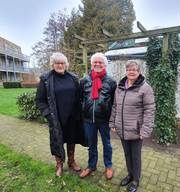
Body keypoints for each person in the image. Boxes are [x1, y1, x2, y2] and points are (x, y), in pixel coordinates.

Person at [35, 52, 86, 177]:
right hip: (56, 118)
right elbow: (40, 100)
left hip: (72, 117)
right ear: (53, 64)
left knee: (71, 139)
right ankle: (59, 165)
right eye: (57, 63)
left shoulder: (73, 78)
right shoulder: (46, 79)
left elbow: (79, 96)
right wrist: (48, 115)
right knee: (57, 141)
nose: (60, 65)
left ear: (66, 64)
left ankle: (71, 161)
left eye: (62, 63)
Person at [109, 60, 155, 192]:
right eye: (129, 69)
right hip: (122, 128)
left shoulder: (145, 88)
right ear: (126, 71)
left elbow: (149, 110)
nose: (131, 71)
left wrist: (145, 130)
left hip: (136, 130)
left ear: (139, 72)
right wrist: (112, 122)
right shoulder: (120, 86)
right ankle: (130, 175)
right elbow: (115, 106)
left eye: (134, 69)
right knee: (127, 154)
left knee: (135, 156)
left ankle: (136, 180)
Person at [79, 52, 116, 180]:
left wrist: (113, 119)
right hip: (89, 119)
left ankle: (109, 166)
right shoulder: (84, 80)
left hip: (104, 119)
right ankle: (91, 165)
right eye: (95, 62)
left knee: (107, 144)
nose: (98, 64)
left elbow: (114, 102)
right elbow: (80, 99)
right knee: (91, 145)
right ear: (92, 64)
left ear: (104, 64)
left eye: (100, 62)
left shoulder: (111, 81)